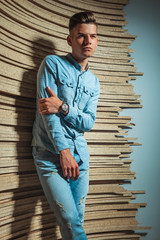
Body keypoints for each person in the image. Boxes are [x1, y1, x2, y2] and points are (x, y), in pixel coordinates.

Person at [32, 11, 100, 240]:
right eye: (81, 36)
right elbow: (46, 115)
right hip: (51, 155)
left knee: (77, 220)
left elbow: (89, 122)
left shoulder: (94, 81)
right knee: (70, 221)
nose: (88, 41)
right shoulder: (52, 64)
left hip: (81, 157)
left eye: (93, 36)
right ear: (70, 39)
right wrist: (64, 151)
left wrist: (63, 107)